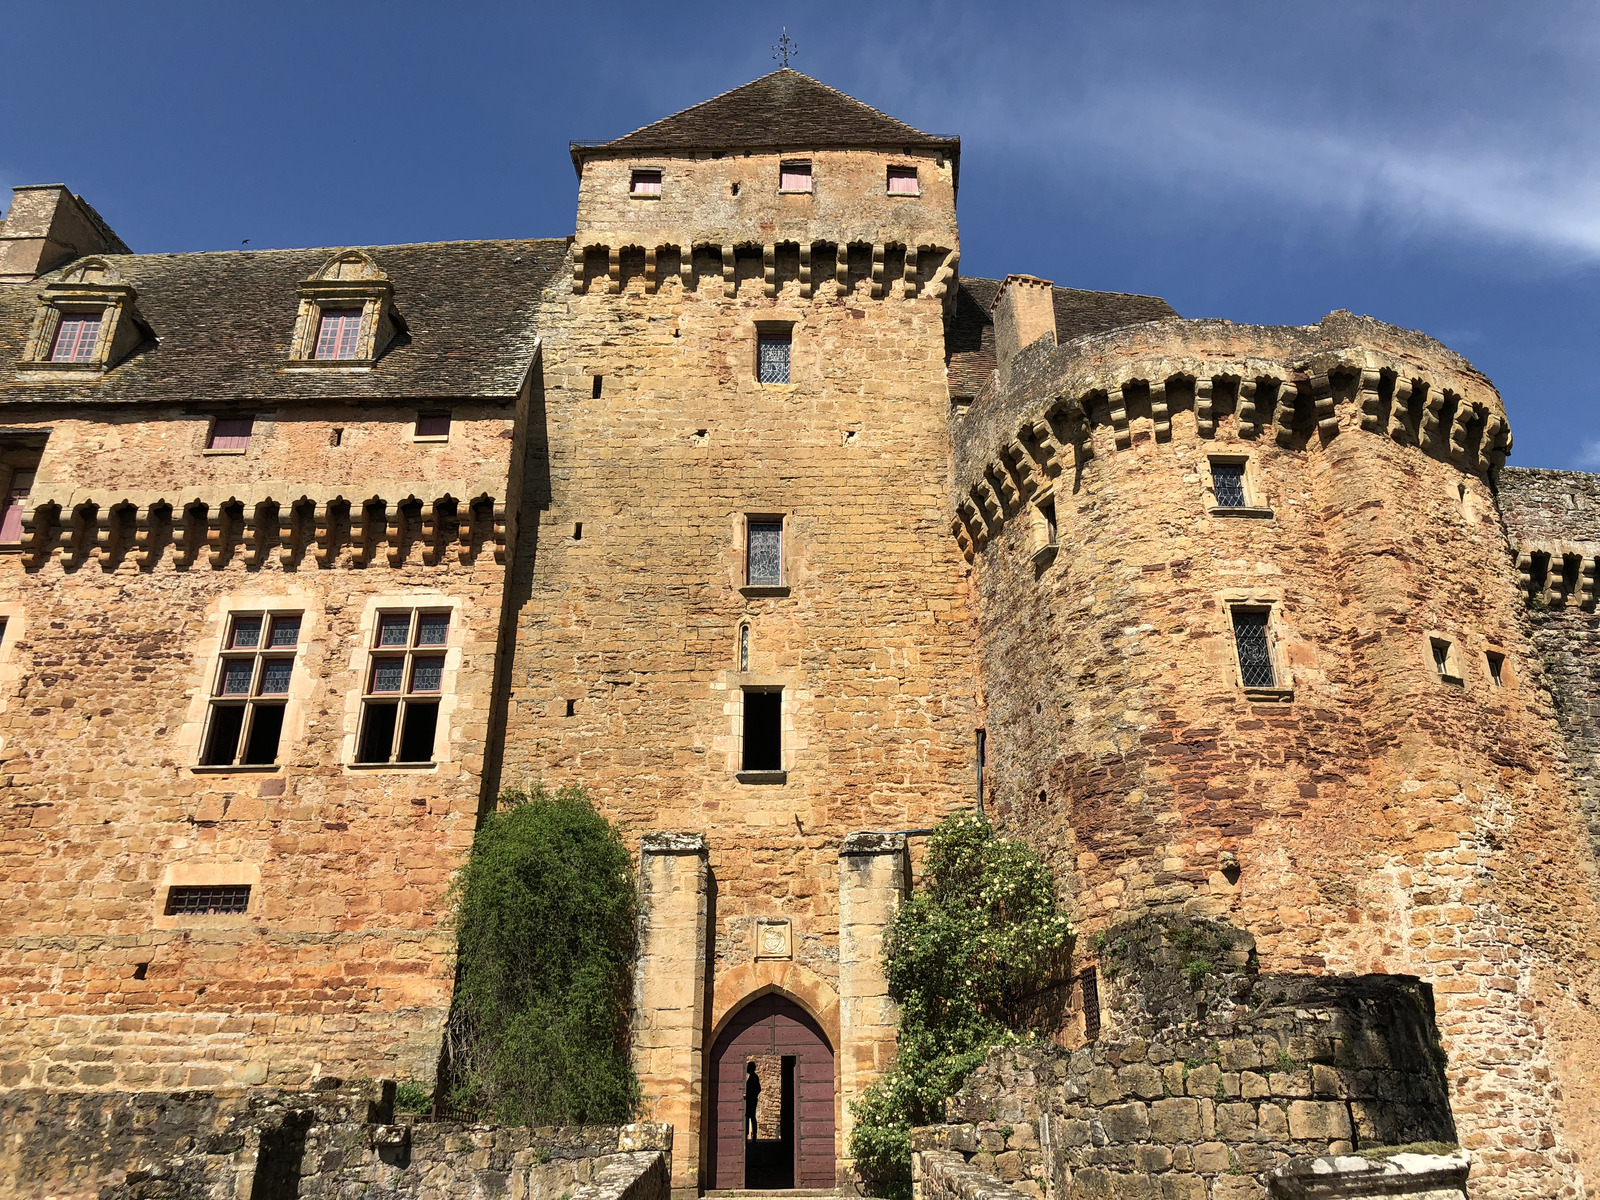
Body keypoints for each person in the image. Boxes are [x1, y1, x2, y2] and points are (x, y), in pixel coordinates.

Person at [745, 1061, 761, 1140]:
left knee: (750, 1117)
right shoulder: (753, 1077)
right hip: (751, 1100)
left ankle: (752, 1135)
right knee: (750, 1117)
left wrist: (752, 1095)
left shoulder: (754, 1077)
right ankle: (750, 1134)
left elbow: (758, 1089)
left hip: (751, 1100)